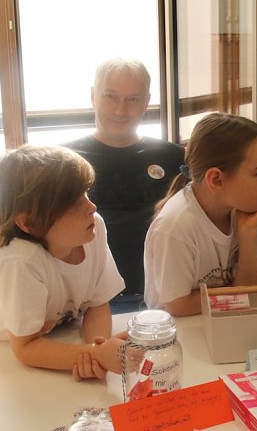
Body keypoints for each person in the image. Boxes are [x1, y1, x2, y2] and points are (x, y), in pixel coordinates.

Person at [0, 145, 126, 381]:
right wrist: (93, 354)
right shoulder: (20, 261)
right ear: (28, 223)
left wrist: (97, 348)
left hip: (52, 336)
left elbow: (97, 303)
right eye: (73, 204)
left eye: (86, 193)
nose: (91, 207)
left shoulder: (93, 228)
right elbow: (26, 348)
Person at [64, 59, 184, 307]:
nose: (120, 110)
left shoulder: (174, 157)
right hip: (85, 302)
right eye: (110, 96)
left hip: (164, 295)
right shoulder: (63, 162)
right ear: (93, 96)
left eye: (132, 99)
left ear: (146, 102)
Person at [144, 113, 257, 316]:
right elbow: (178, 307)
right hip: (180, 332)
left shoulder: (248, 211)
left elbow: (254, 298)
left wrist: (247, 233)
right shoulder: (175, 226)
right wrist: (243, 291)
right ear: (216, 179)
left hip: (228, 322)